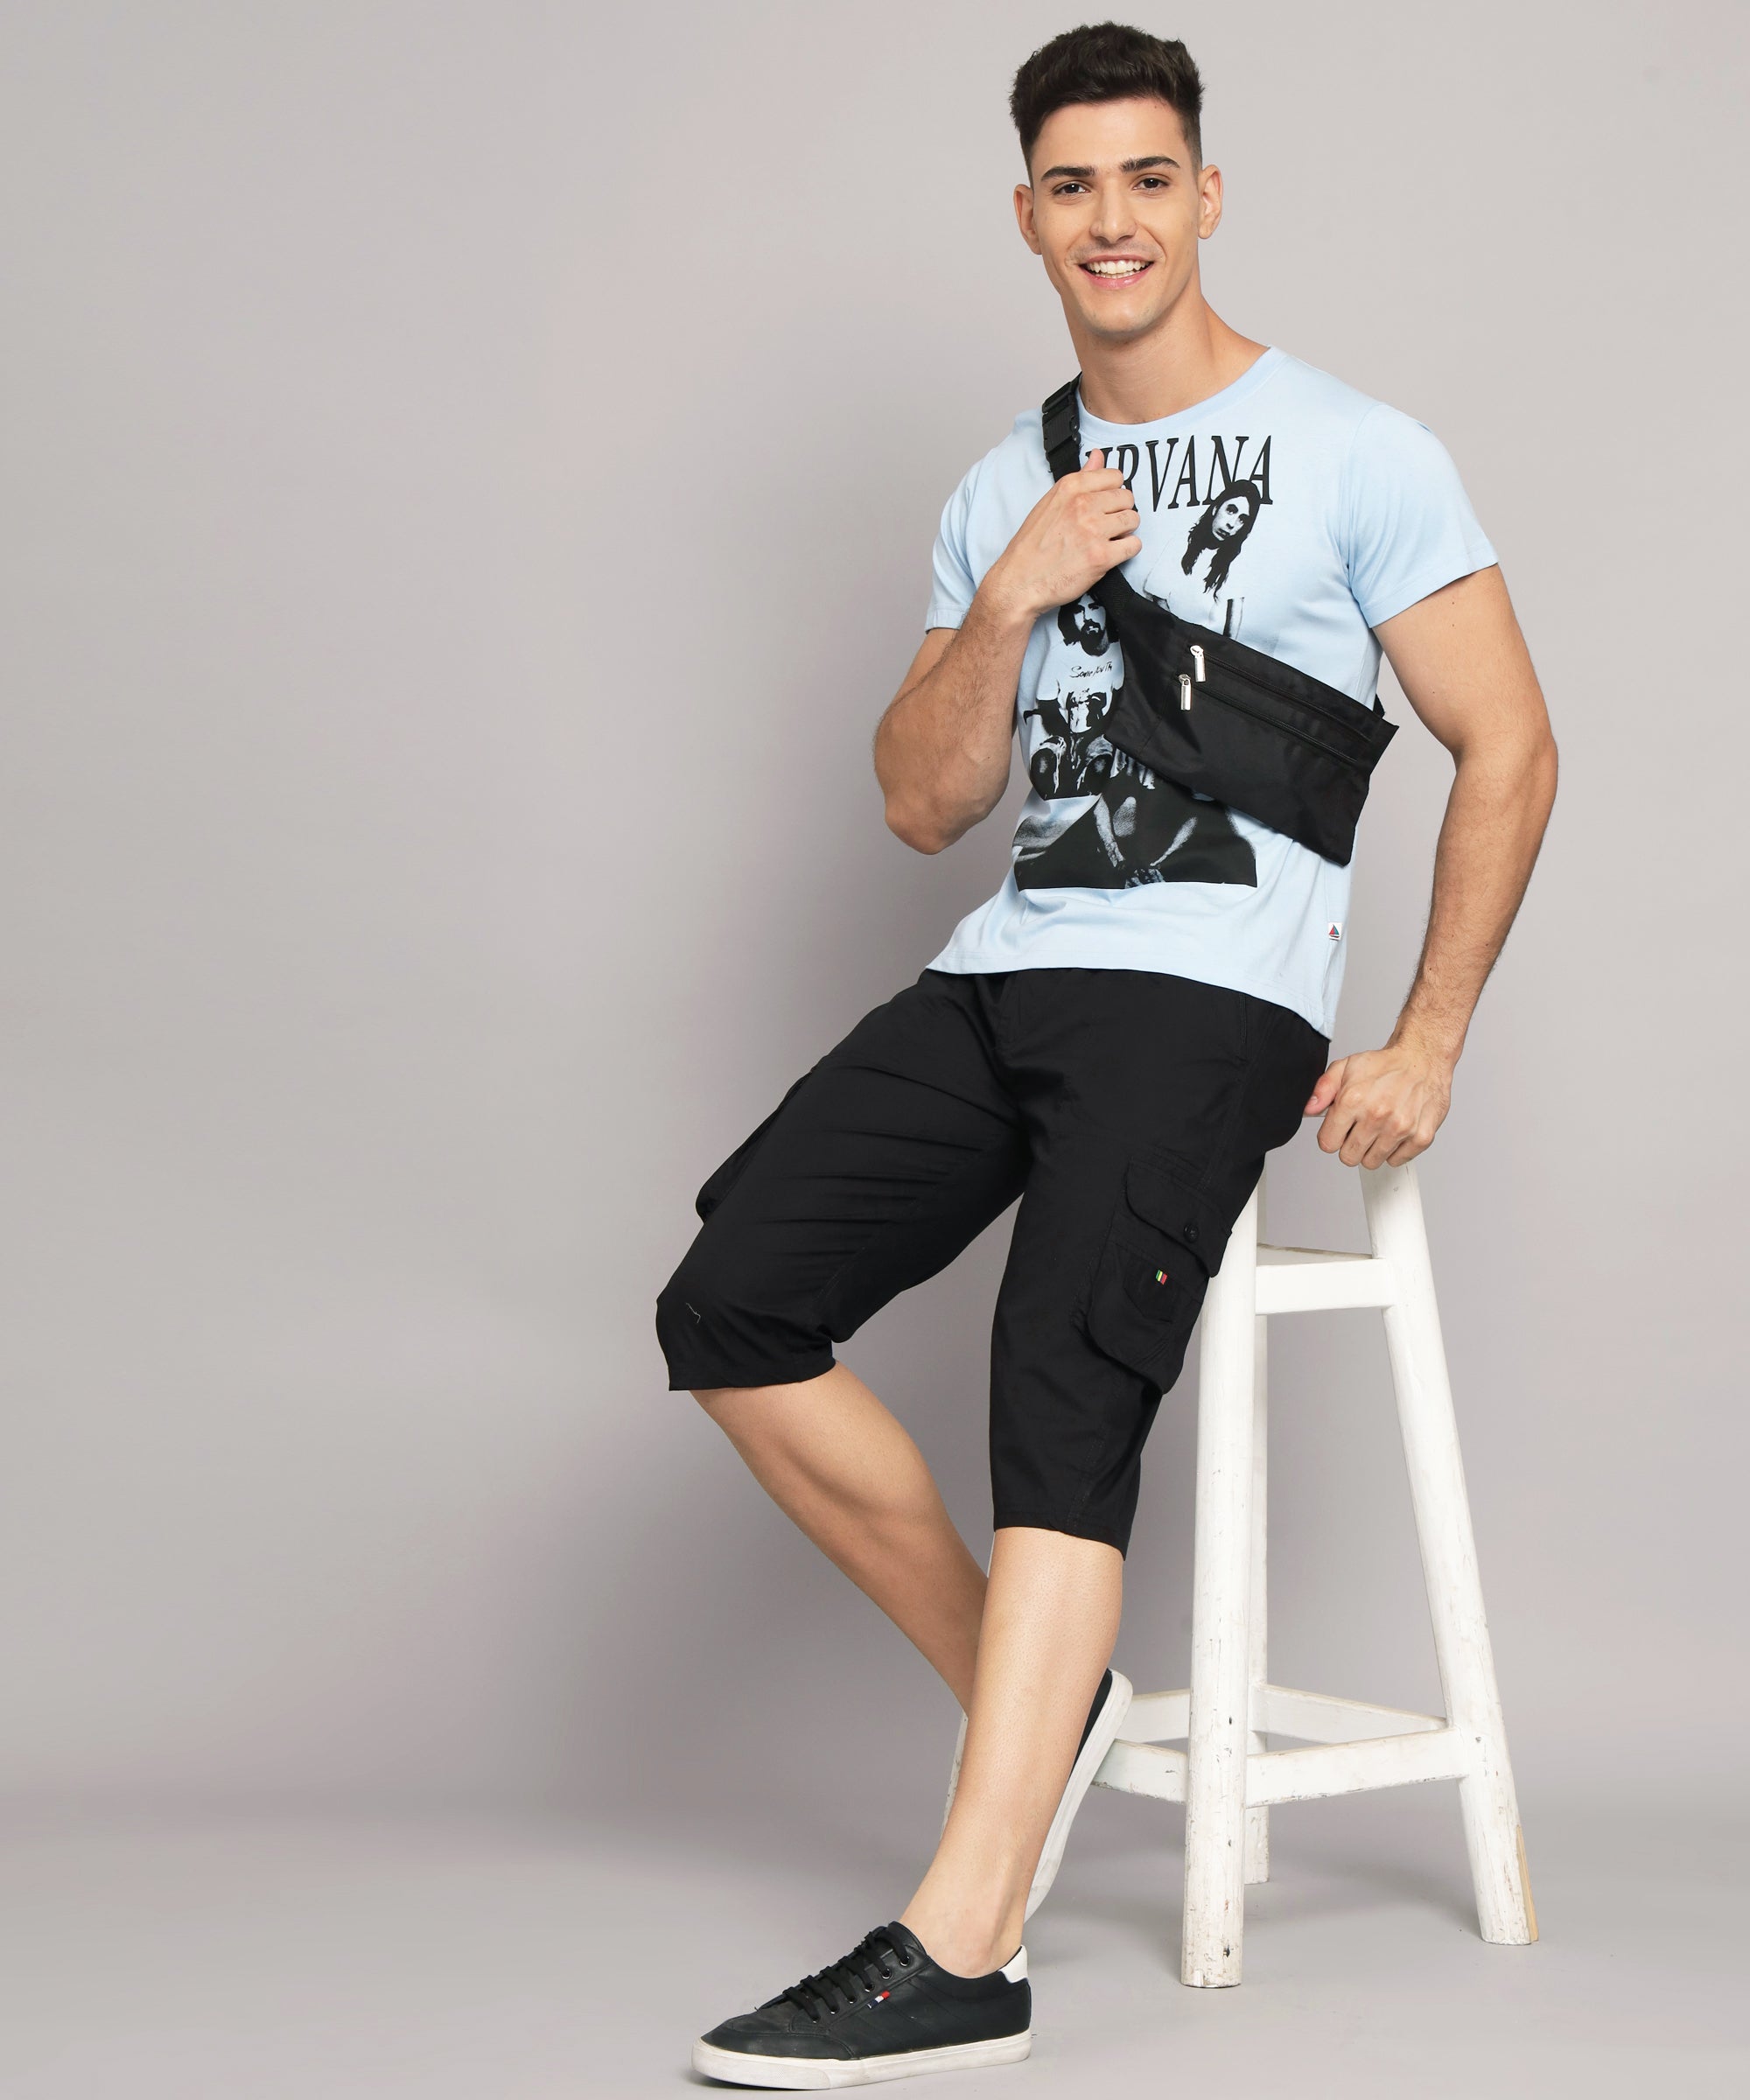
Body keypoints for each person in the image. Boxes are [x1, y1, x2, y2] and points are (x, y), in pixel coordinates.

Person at [657, 21, 1557, 2088]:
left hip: (1213, 995)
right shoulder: (1007, 477)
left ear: (1205, 197)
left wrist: (1425, 1037)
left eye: (1148, 178)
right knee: (730, 1305)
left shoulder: (1358, 449)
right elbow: (920, 803)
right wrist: (1013, 596)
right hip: (1008, 969)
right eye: (1073, 186)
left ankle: (963, 1947)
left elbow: (1508, 745)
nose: (1113, 219)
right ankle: (1041, 1709)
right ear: (1027, 217)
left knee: (1057, 1385)